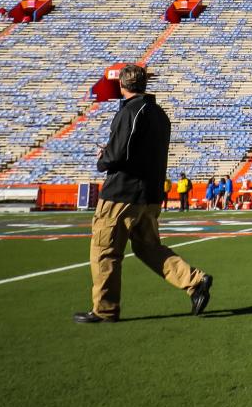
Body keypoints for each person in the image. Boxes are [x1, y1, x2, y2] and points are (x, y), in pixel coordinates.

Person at [73, 64, 212, 323]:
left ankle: (105, 309)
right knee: (149, 248)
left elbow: (119, 153)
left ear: (121, 85)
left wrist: (103, 159)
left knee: (105, 250)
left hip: (122, 194)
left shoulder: (130, 111)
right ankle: (195, 281)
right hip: (149, 194)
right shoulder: (159, 113)